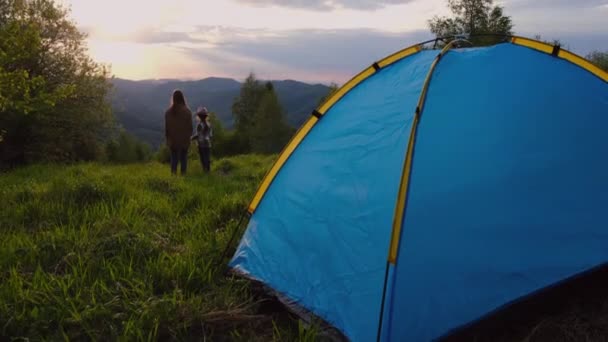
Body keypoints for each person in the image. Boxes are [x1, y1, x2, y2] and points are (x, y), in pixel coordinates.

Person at [164, 90, 193, 175]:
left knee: (174, 158)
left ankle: (173, 176)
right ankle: (183, 175)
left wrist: (168, 139)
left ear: (173, 99)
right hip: (184, 139)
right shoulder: (188, 112)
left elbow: (167, 128)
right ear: (182, 98)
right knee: (183, 158)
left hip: (173, 140)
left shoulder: (168, 112)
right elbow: (190, 128)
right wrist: (188, 137)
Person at [192, 106, 213, 172]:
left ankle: (205, 170)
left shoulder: (199, 125)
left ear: (199, 116)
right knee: (207, 157)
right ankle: (208, 170)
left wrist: (191, 138)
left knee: (203, 158)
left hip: (201, 144)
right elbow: (211, 135)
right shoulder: (208, 124)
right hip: (208, 144)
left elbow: (198, 135)